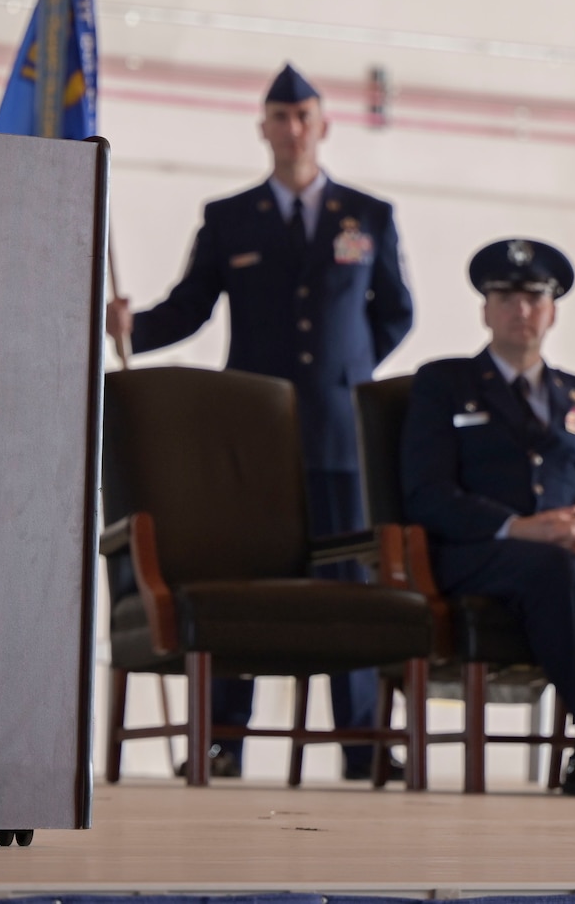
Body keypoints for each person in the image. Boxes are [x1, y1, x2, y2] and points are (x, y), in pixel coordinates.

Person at [107, 64, 413, 780]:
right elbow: (189, 307)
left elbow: (396, 311)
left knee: (350, 585)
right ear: (263, 128)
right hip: (252, 440)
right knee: (243, 577)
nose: (293, 128)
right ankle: (222, 739)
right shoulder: (230, 217)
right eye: (280, 116)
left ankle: (364, 745)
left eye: (304, 115)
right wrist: (129, 326)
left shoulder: (368, 216)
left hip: (340, 434)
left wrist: (350, 372)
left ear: (323, 124)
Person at [398, 239, 575, 798]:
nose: (521, 310)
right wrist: (519, 527)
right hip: (479, 552)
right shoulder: (444, 383)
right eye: (506, 298)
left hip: (571, 548)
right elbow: (426, 493)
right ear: (485, 310)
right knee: (553, 570)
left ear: (553, 311)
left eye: (534, 299)